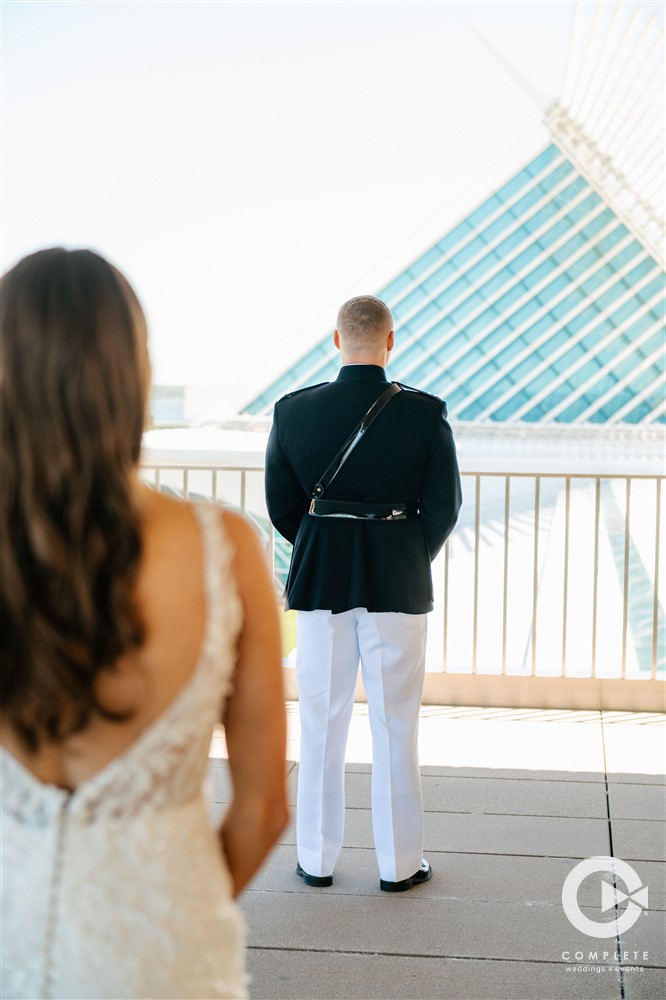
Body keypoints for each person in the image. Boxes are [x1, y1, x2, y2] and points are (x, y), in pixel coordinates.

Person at [0, 248, 289, 999]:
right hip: (162, 959)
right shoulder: (223, 549)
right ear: (132, 373)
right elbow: (261, 809)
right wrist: (176, 903)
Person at [265, 295, 461, 892]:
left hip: (322, 578)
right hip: (398, 581)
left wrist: (328, 544)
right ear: (390, 342)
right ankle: (399, 866)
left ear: (336, 340)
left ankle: (317, 862)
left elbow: (284, 507)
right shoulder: (425, 414)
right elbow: (443, 509)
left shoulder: (293, 413)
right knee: (395, 721)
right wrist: (399, 551)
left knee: (321, 720)